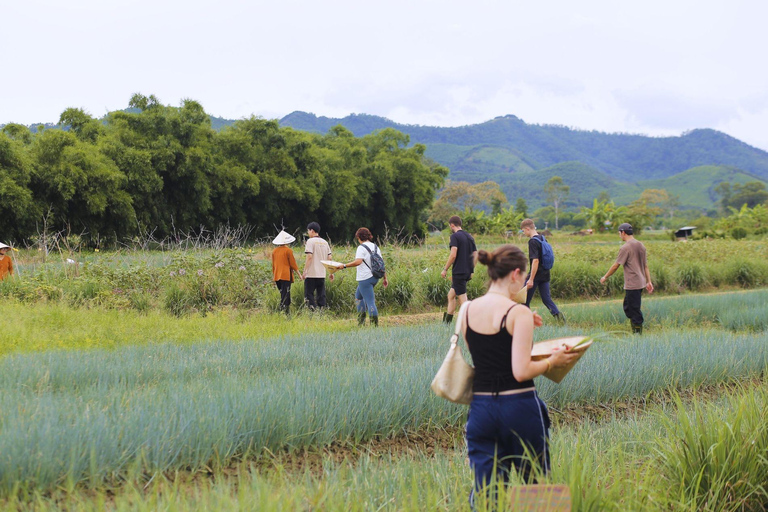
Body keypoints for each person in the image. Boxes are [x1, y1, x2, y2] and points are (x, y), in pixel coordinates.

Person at [462, 245, 579, 505]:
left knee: (486, 492)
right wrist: (552, 361)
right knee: (535, 487)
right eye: (525, 277)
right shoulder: (518, 313)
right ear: (516, 273)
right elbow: (520, 370)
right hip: (518, 406)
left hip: (480, 409)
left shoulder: (466, 310)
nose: (526, 283)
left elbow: (486, 358)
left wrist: (523, 320)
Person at [600, 222, 654, 334]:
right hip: (640, 282)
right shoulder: (641, 245)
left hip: (633, 283)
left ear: (623, 232)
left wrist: (605, 276)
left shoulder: (625, 248)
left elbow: (616, 265)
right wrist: (648, 281)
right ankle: (636, 328)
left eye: (619, 233)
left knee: (634, 310)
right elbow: (645, 266)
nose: (619, 235)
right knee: (628, 307)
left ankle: (637, 334)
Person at [340, 227, 388, 326]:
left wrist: (344, 266)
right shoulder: (375, 247)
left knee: (370, 302)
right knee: (358, 298)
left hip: (365, 278)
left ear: (358, 237)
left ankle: (374, 326)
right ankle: (361, 323)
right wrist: (385, 278)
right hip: (375, 277)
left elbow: (358, 262)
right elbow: (381, 263)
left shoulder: (361, 248)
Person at [520, 219, 565, 324]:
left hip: (535, 275)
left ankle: (526, 323)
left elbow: (535, 260)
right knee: (546, 299)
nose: (523, 233)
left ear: (527, 228)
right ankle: (561, 320)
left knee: (524, 301)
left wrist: (531, 279)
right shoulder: (543, 238)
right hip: (545, 273)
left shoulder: (532, 241)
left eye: (523, 231)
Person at [441, 215, 477, 324]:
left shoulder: (455, 236)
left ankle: (471, 323)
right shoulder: (470, 237)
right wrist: (471, 270)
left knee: (463, 300)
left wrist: (445, 269)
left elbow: (453, 255)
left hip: (458, 272)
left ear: (452, 225)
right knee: (451, 295)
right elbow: (475, 254)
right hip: (466, 272)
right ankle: (446, 323)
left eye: (449, 226)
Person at [302, 222, 332, 310]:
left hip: (311, 273)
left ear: (312, 230)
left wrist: (305, 270)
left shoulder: (310, 241)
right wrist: (331, 272)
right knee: (321, 294)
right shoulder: (325, 242)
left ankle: (313, 311)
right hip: (322, 273)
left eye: (308, 230)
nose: (308, 232)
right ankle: (322, 310)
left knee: (309, 294)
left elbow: (309, 256)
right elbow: (329, 258)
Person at [271, 230, 302, 315]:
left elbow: (273, 266)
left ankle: (284, 312)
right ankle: (284, 312)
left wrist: (274, 277)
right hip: (285, 276)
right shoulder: (288, 251)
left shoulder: (274, 251)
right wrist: (299, 274)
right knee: (286, 295)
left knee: (282, 293)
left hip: (277, 276)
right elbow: (293, 264)